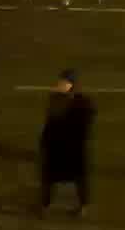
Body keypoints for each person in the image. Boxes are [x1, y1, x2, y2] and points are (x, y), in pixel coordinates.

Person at [38, 70, 94, 214]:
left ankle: (83, 206)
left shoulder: (82, 102)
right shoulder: (55, 100)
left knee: (79, 178)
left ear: (72, 85)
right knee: (49, 177)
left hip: (73, 147)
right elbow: (49, 123)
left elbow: (86, 122)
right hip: (57, 146)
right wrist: (45, 141)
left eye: (64, 82)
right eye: (60, 82)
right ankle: (45, 205)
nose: (60, 85)